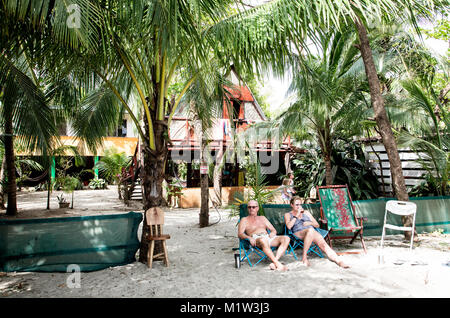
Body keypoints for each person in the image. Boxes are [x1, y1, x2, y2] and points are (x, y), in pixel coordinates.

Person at [284, 196, 350, 268]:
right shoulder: (287, 215)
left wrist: (310, 223)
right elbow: (289, 226)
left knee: (323, 244)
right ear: (291, 205)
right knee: (311, 230)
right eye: (297, 205)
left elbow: (317, 225)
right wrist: (296, 215)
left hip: (311, 232)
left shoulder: (306, 213)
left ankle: (339, 261)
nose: (299, 206)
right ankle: (304, 258)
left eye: (300, 204)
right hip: (298, 233)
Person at [238, 200, 290, 271]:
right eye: (249, 207)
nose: (251, 209)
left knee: (286, 238)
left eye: (253, 207)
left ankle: (275, 262)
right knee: (263, 240)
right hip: (256, 239)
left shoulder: (262, 218)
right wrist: (249, 238)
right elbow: (240, 234)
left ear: (257, 208)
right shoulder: (244, 220)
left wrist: (272, 233)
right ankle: (278, 264)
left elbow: (273, 230)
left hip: (267, 237)